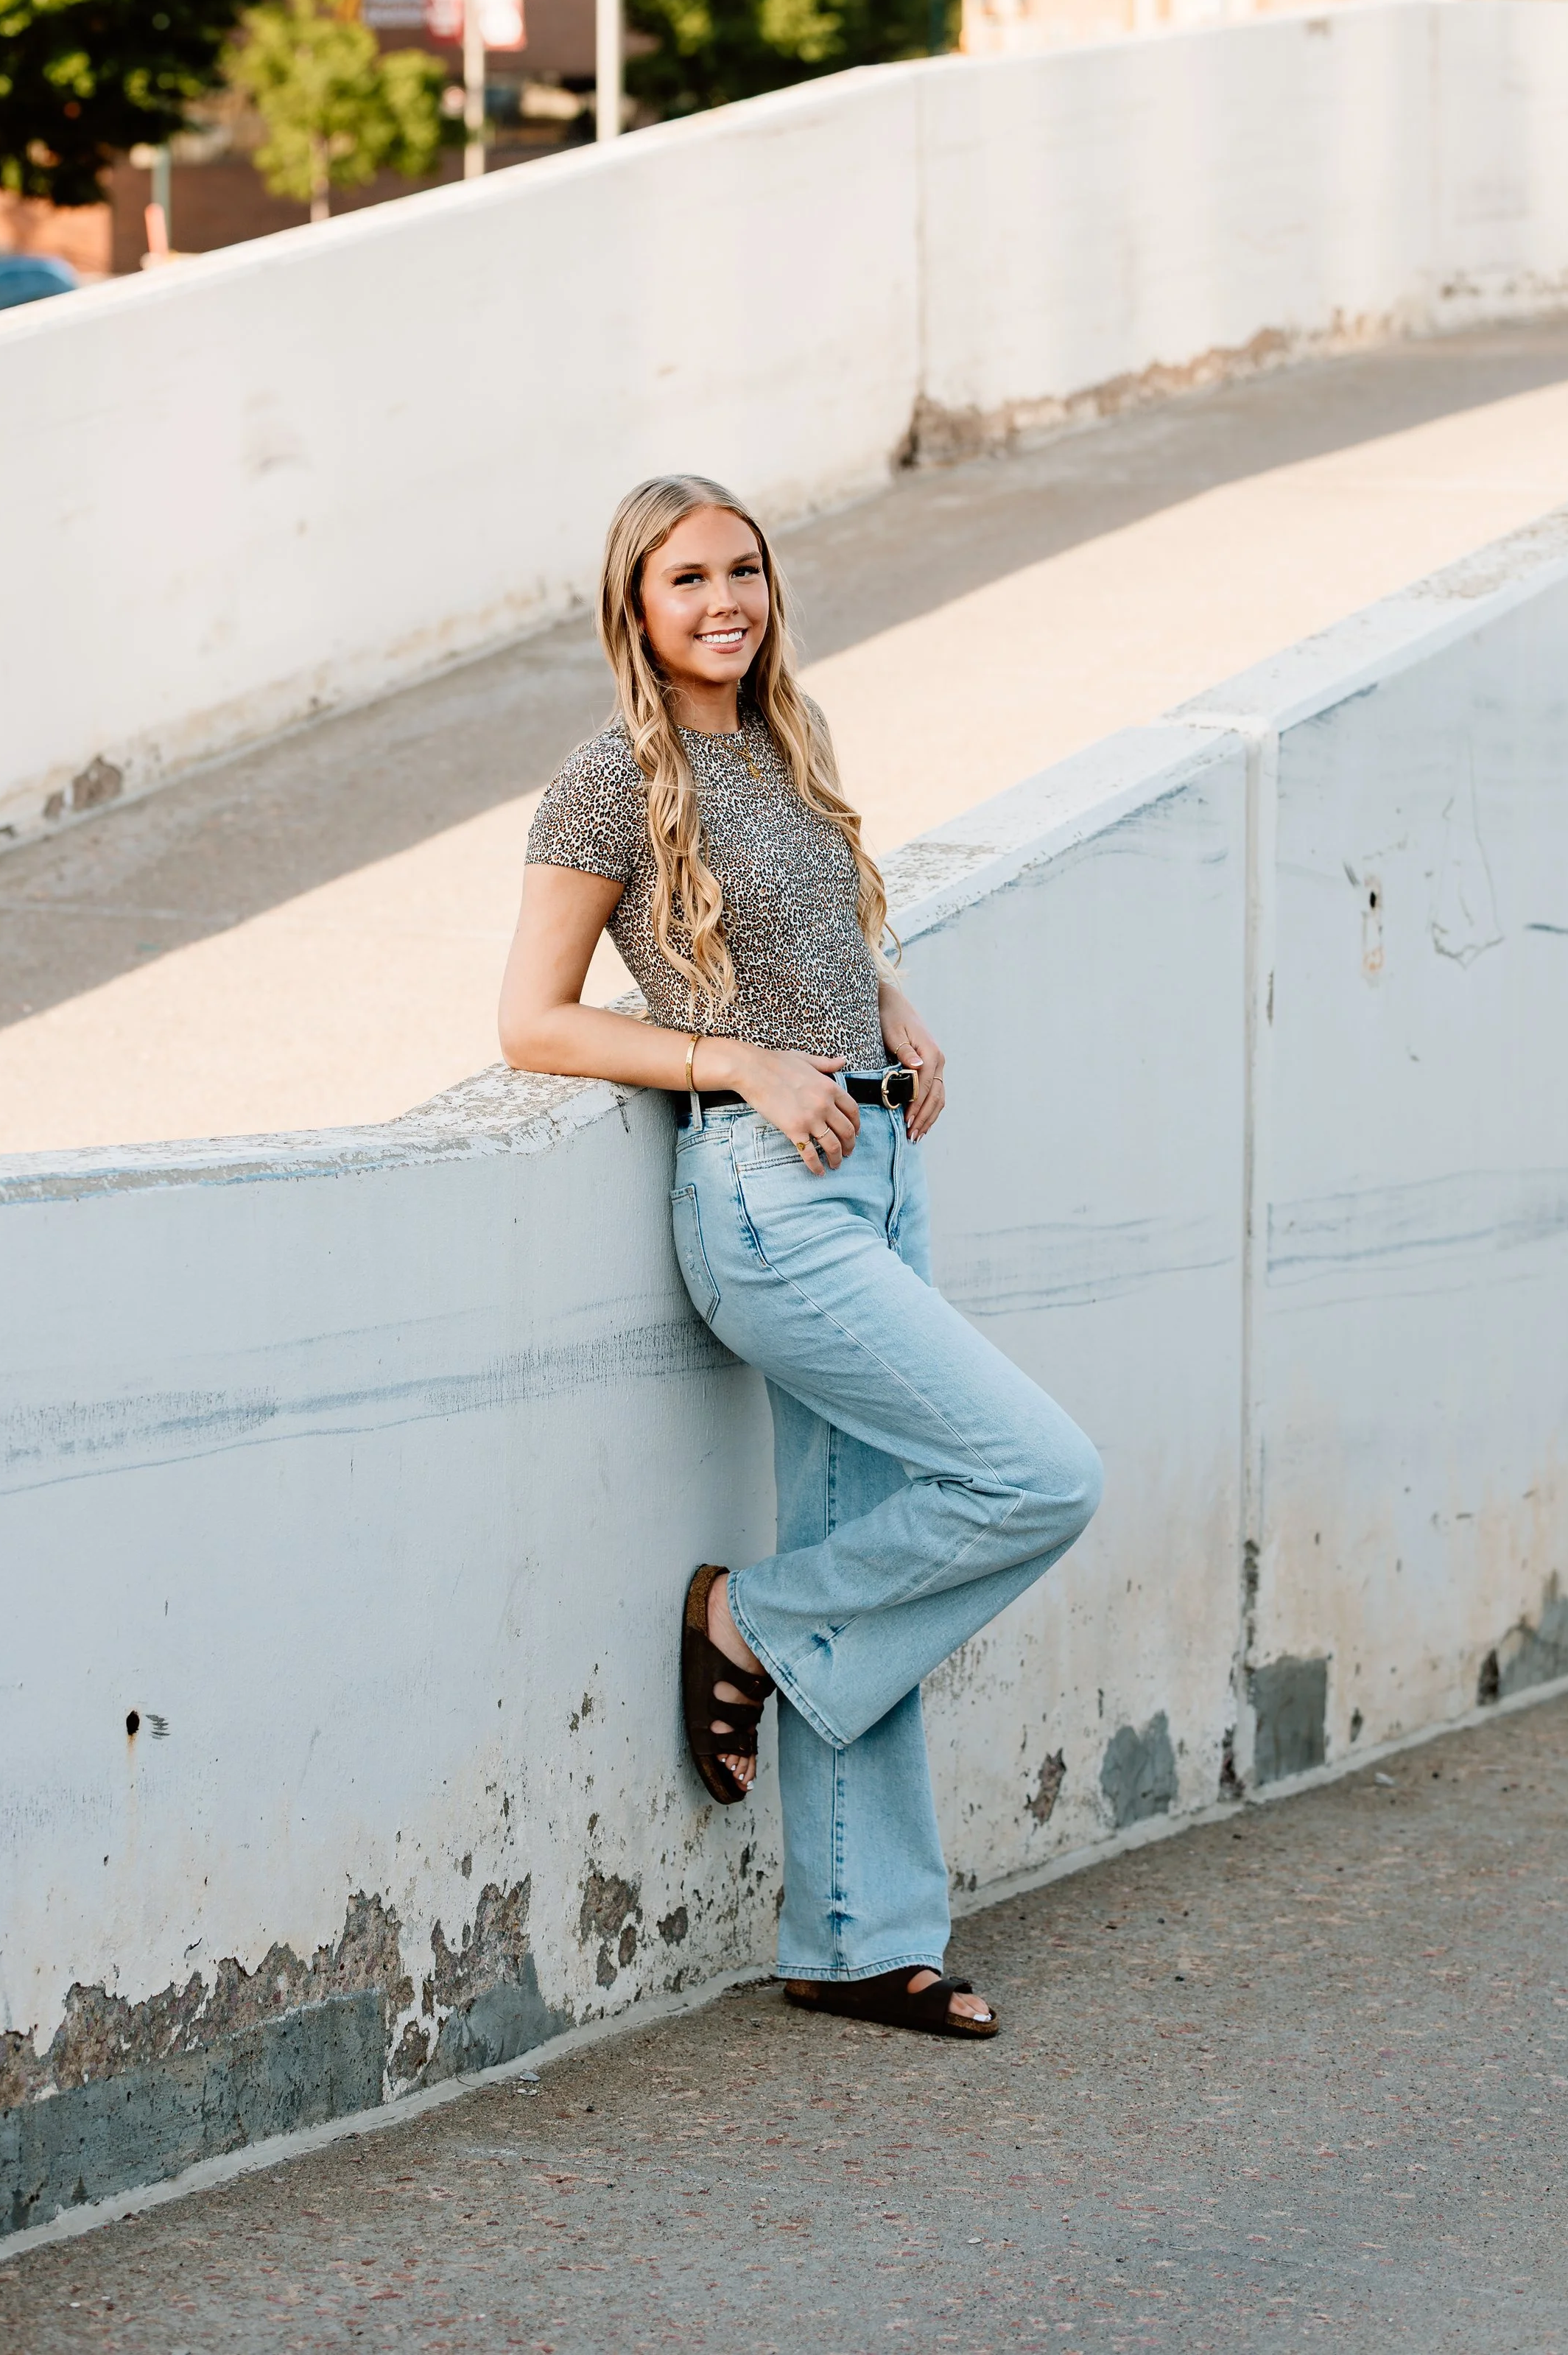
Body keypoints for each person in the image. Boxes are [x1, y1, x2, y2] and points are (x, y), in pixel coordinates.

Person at [499, 474, 1103, 2039]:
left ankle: (856, 1938)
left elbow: (798, 929)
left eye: (744, 570)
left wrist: (878, 998)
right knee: (1033, 1476)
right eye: (686, 577)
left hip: (880, 1170)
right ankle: (747, 1625)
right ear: (631, 607)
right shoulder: (604, 783)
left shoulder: (783, 737)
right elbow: (531, 1020)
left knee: (871, 1536)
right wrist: (742, 1062)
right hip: (769, 1198)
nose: (724, 600)